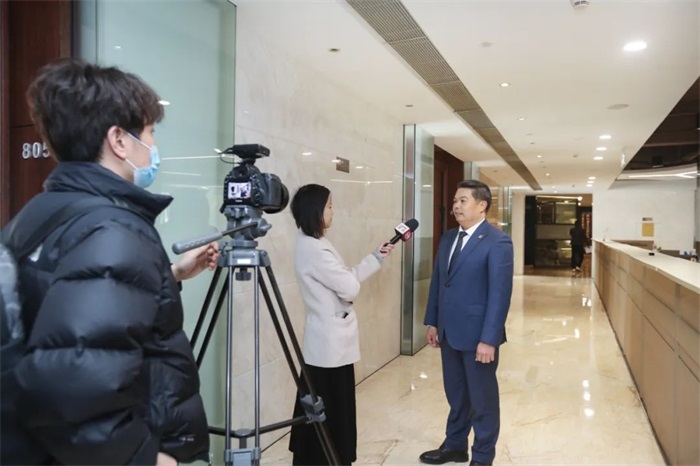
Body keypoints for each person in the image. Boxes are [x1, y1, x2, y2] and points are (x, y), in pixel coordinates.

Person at [2, 59, 217, 465]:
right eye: (149, 133)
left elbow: (66, 307)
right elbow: (76, 381)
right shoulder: (113, 228)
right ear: (119, 140)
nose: (152, 147)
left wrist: (170, 275)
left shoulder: (39, 213)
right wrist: (146, 458)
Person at [287, 184, 395, 466]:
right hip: (328, 349)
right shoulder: (315, 249)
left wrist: (376, 257)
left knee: (326, 406)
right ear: (315, 210)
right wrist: (348, 285)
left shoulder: (313, 242)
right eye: (330, 206)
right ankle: (328, 459)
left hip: (328, 345)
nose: (333, 212)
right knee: (330, 409)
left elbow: (345, 277)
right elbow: (349, 287)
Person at [419, 180, 514, 466]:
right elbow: (440, 283)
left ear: (482, 205)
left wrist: (489, 339)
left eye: (463, 200)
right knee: (457, 395)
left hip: (478, 337)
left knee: (482, 401)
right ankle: (455, 446)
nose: (456, 206)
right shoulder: (449, 238)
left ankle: (482, 457)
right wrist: (433, 321)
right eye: (455, 201)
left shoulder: (497, 241)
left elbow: (499, 295)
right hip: (449, 332)